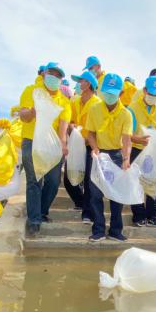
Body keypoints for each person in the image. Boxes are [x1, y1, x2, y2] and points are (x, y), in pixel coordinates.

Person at [18, 62, 72, 237]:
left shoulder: (64, 101)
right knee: (34, 181)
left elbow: (63, 127)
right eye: (51, 74)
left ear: (61, 79)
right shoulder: (31, 91)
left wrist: (63, 145)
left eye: (58, 76)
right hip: (31, 141)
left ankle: (41, 211)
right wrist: (33, 112)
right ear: (43, 75)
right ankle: (34, 220)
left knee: (53, 181)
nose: (54, 78)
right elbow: (23, 116)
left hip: (51, 145)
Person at [85, 73, 133, 242]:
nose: (110, 96)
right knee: (95, 193)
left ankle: (115, 230)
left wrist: (126, 159)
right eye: (107, 92)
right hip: (99, 154)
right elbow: (89, 133)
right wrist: (95, 148)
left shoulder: (126, 114)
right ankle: (98, 229)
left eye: (113, 93)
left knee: (116, 195)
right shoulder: (94, 109)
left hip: (116, 155)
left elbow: (127, 139)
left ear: (120, 94)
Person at [128, 76, 156, 227]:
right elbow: (128, 134)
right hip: (136, 148)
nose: (154, 97)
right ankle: (138, 216)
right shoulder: (132, 108)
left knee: (153, 181)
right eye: (151, 94)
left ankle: (152, 216)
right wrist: (138, 140)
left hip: (154, 151)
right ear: (145, 90)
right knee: (136, 183)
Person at [67, 70, 100, 221]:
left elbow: (99, 128)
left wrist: (88, 140)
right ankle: (81, 202)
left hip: (90, 145)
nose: (79, 84)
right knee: (69, 179)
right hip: (75, 144)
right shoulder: (74, 101)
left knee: (88, 178)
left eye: (81, 81)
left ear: (89, 84)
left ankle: (87, 213)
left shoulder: (98, 104)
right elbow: (70, 120)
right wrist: (72, 127)